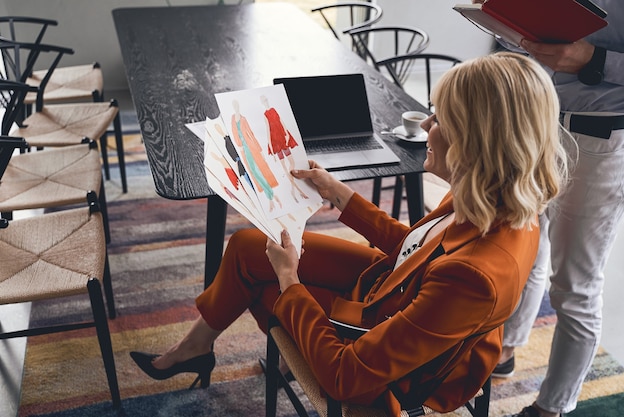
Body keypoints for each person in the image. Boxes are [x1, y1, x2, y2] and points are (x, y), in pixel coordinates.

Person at [129, 52, 568, 415]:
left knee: (263, 284)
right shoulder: (494, 196)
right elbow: (417, 248)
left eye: (440, 118)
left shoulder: (475, 277)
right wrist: (341, 195)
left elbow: (347, 375)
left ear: (475, 143)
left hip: (378, 367)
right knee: (248, 247)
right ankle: (198, 346)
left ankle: (234, 348)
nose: (426, 125)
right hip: (395, 285)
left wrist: (290, 282)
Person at [481, 2, 624, 417]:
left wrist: (592, 59)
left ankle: (551, 408)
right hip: (538, 122)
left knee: (576, 286)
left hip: (601, 140)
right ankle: (506, 349)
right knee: (524, 241)